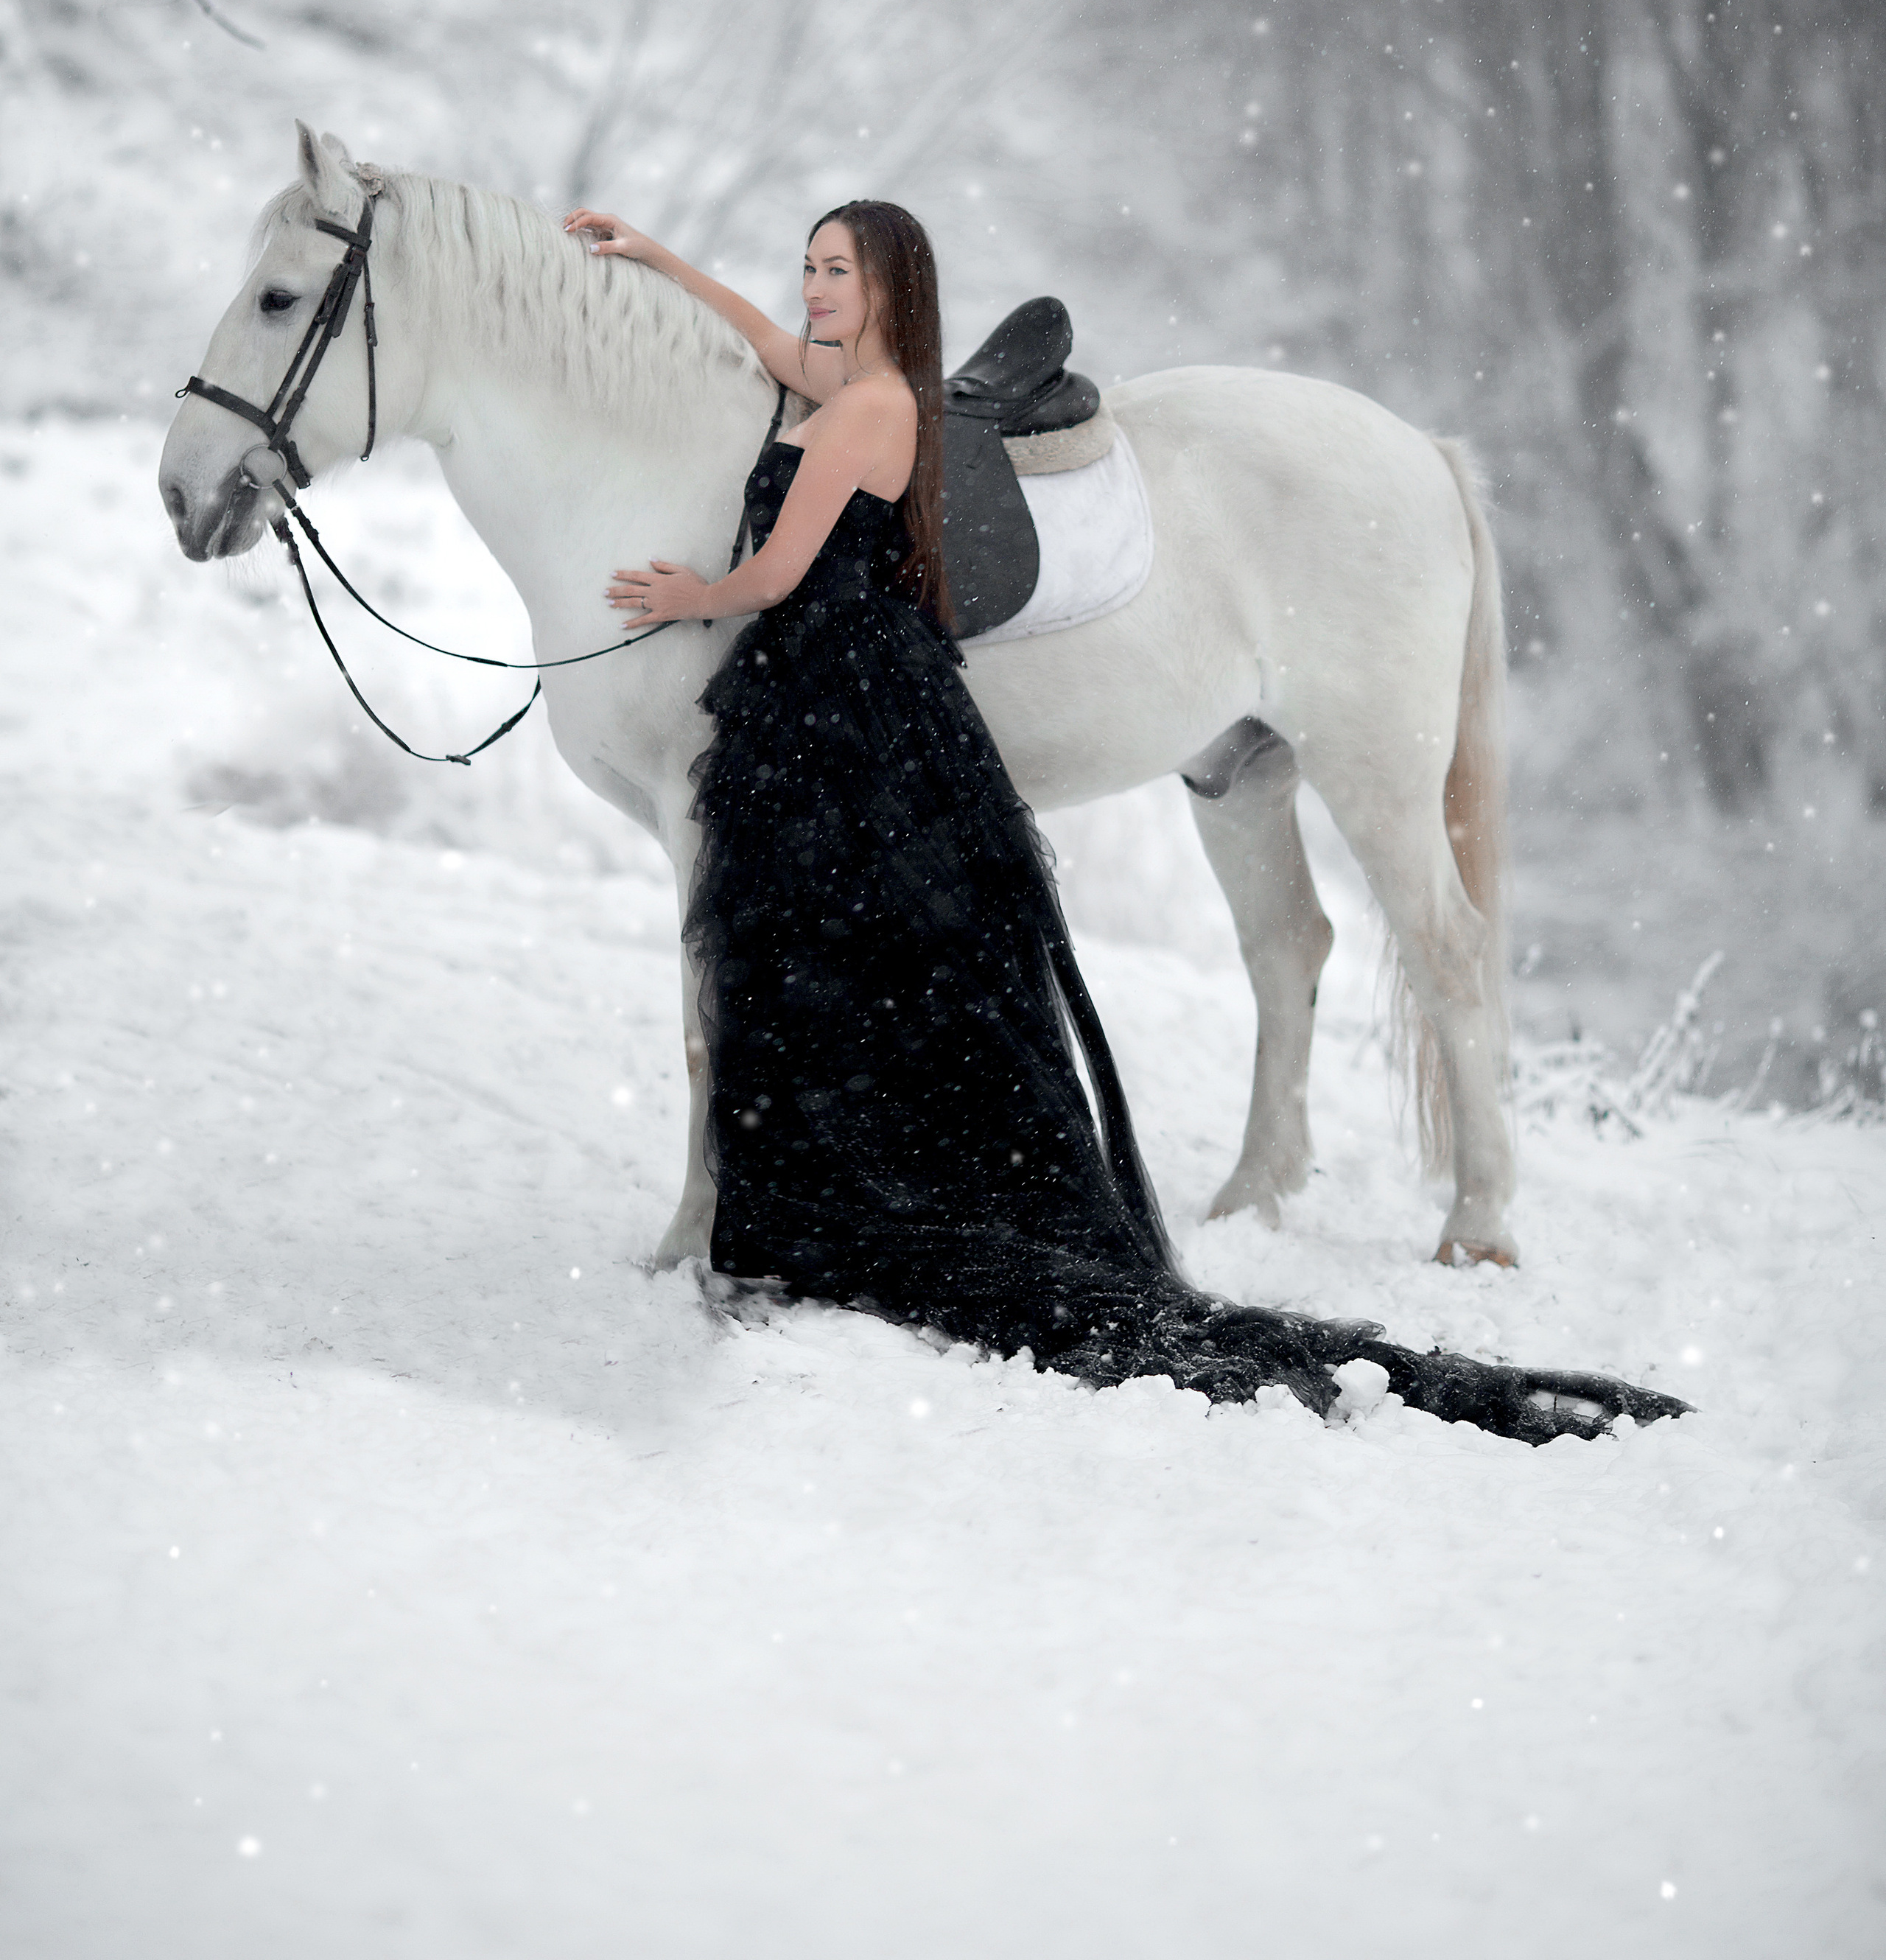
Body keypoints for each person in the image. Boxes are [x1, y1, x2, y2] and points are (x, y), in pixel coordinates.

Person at [561, 197, 1685, 1446]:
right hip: (830, 688)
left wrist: (694, 591)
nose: (815, 289)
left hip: (855, 689)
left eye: (838, 272)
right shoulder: (837, 377)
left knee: (1414, 899)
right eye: (810, 268)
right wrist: (663, 265)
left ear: (886, 290)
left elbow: (773, 578)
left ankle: (1488, 1186)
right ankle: (1264, 1152)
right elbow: (771, 344)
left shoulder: (873, 409)